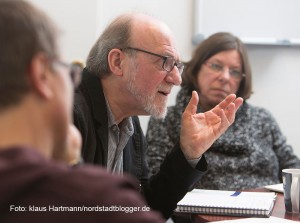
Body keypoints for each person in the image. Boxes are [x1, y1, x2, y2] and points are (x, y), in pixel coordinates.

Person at [0, 1, 165, 222]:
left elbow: (147, 202)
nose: (176, 78)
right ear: (41, 75)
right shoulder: (97, 200)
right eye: (68, 72)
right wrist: (73, 172)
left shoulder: (131, 125)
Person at [73, 14, 243, 219]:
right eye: (165, 61)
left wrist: (188, 152)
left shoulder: (128, 121)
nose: (177, 79)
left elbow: (145, 209)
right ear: (118, 62)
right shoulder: (68, 116)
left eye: (177, 66)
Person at [146, 32, 300, 191]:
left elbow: (293, 170)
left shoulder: (263, 119)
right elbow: (157, 185)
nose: (225, 77)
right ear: (197, 68)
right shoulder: (167, 118)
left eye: (234, 72)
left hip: (270, 211)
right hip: (202, 214)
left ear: (242, 80)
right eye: (216, 66)